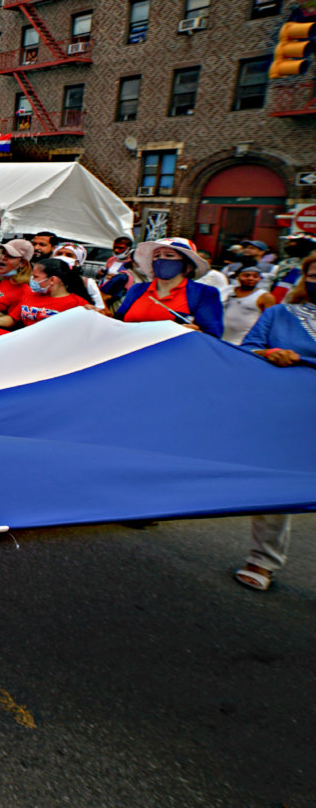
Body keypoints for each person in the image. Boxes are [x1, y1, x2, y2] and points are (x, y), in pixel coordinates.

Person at [230, 253, 316, 593]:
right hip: (286, 409)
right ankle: (263, 560)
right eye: (314, 273)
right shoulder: (280, 313)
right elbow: (249, 348)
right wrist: (269, 354)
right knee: (279, 483)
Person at [114, 237, 225, 338]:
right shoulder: (137, 289)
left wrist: (193, 333)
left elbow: (211, 338)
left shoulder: (204, 294)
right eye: (157, 256)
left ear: (186, 264)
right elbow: (117, 324)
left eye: (169, 255)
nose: (161, 259)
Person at [0, 255, 93, 330]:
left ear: (52, 280)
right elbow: (13, 319)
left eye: (36, 277)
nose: (32, 280)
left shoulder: (77, 304)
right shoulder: (30, 295)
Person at [220, 266, 276, 346]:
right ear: (238, 276)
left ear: (260, 278)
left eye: (255, 276)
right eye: (246, 275)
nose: (250, 278)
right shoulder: (227, 290)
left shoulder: (265, 297)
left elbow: (269, 321)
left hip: (243, 342)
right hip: (220, 336)